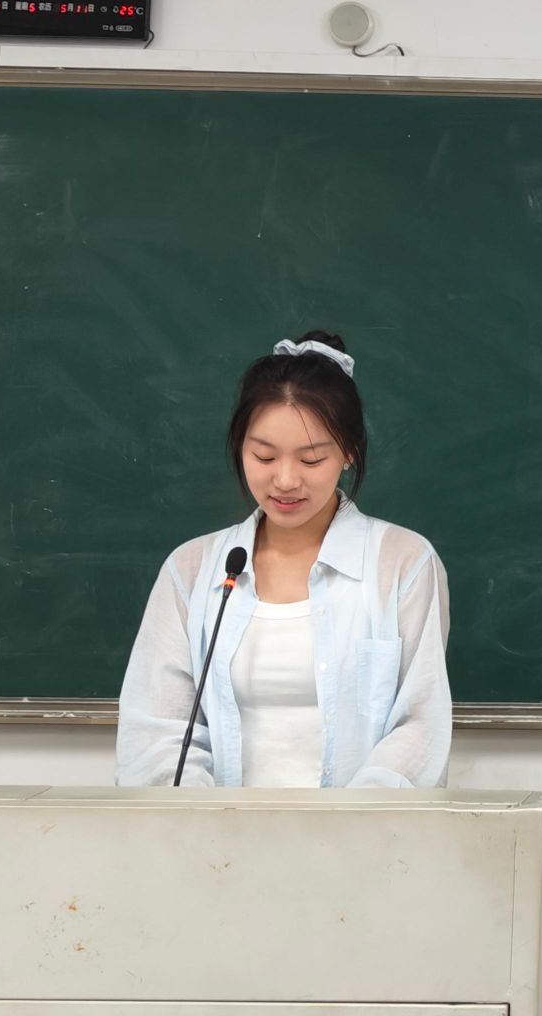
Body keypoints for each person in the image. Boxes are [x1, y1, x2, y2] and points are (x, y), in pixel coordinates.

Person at [116, 332, 451, 787]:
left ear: (349, 452)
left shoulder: (403, 564)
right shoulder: (192, 570)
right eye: (264, 456)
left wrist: (349, 822)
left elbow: (419, 724)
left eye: (311, 460)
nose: (286, 480)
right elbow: (158, 729)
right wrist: (204, 819)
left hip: (362, 829)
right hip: (215, 829)